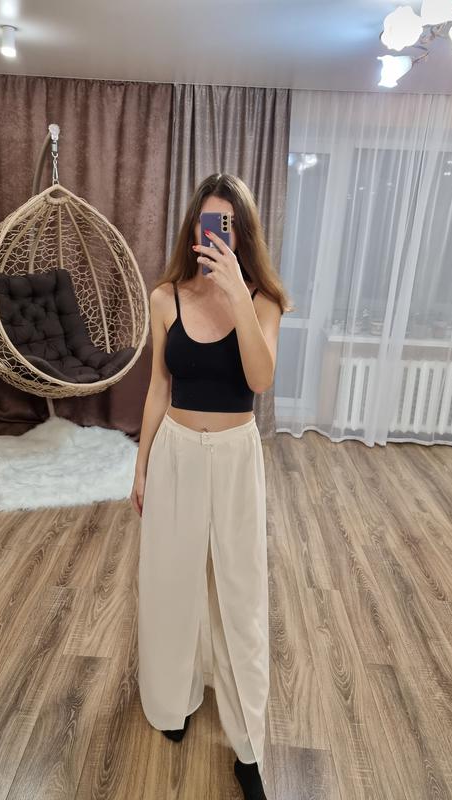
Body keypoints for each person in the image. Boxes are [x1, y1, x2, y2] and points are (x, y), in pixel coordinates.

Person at [131, 173, 292, 800]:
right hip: (174, 451)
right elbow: (158, 387)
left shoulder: (264, 301)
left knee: (239, 597)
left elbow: (260, 378)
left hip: (233, 459)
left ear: (243, 234)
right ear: (194, 229)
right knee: (168, 584)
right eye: (209, 224)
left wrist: (237, 297)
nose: (218, 237)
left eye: (230, 227)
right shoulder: (165, 297)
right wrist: (141, 464)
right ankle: (171, 701)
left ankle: (248, 744)